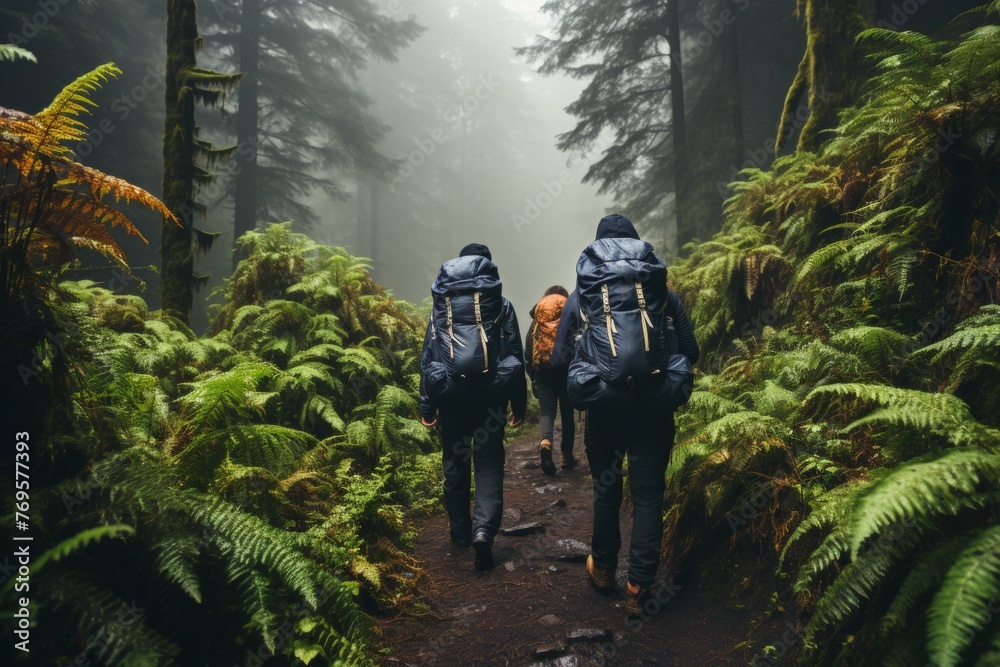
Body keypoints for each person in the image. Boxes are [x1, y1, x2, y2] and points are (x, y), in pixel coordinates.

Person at [554, 214, 699, 614]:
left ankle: (602, 570)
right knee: (650, 495)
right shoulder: (661, 293)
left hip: (604, 409)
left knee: (606, 490)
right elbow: (691, 348)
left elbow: (557, 357)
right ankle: (639, 587)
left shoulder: (583, 295)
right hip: (654, 407)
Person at [418, 243, 527, 571]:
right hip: (490, 398)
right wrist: (518, 403)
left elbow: (430, 356)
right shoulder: (501, 306)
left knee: (455, 463)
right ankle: (484, 530)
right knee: (489, 466)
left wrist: (427, 405)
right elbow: (514, 355)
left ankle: (460, 533)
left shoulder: (443, 307)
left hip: (451, 397)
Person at [524, 285, 576, 475]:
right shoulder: (569, 314)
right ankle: (566, 456)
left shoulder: (538, 321)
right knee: (567, 414)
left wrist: (534, 378)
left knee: (547, 413)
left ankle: (546, 442)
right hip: (566, 371)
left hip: (544, 373)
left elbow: (529, 352)